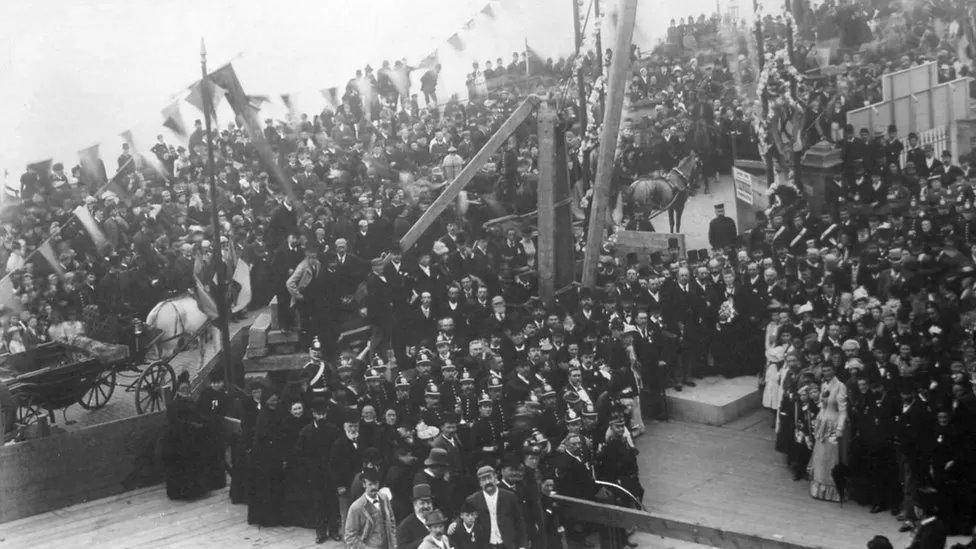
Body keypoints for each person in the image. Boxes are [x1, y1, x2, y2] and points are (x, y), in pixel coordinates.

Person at [162, 371, 209, 500]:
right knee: (182, 464)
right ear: (178, 390)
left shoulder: (191, 401)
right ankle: (184, 493)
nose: (186, 391)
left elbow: (198, 414)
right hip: (179, 439)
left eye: (187, 388)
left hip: (192, 437)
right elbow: (175, 422)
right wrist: (192, 425)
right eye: (183, 389)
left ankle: (197, 491)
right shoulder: (173, 405)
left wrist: (202, 423)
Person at [808, 362, 848, 501]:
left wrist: (839, 428)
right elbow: (822, 405)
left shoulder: (840, 386)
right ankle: (819, 490)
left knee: (830, 458)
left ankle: (833, 491)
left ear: (834, 370)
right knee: (820, 457)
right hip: (822, 424)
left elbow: (843, 411)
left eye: (829, 370)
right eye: (824, 370)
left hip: (833, 424)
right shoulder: (823, 385)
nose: (826, 373)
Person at [464, 465, 528, 549]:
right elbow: (463, 518)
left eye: (489, 478)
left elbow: (519, 521)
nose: (487, 482)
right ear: (480, 483)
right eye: (483, 479)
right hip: (486, 546)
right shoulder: (472, 500)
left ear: (495, 477)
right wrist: (454, 524)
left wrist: (523, 545)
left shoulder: (510, 497)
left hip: (508, 545)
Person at [343, 468, 396, 549]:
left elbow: (392, 520)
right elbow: (350, 537)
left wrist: (393, 541)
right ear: (364, 484)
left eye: (376, 483)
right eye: (370, 484)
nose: (374, 487)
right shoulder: (356, 507)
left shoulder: (384, 498)